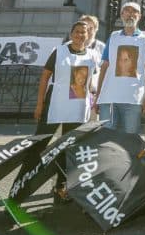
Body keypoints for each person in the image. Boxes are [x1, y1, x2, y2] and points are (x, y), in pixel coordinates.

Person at [25, 20, 102, 201]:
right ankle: (24, 182)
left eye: (84, 32)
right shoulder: (58, 52)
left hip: (77, 108)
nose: (80, 35)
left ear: (88, 35)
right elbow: (44, 78)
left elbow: (93, 83)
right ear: (70, 33)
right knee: (39, 143)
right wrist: (39, 104)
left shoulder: (92, 56)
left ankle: (61, 187)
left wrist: (96, 98)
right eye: (76, 32)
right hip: (55, 105)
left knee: (68, 147)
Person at [96, 2, 145, 133]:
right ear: (122, 15)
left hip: (133, 99)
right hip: (109, 98)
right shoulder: (113, 37)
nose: (130, 14)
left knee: (130, 139)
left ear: (139, 16)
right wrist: (98, 95)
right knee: (106, 137)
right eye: (127, 11)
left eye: (134, 11)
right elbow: (105, 67)